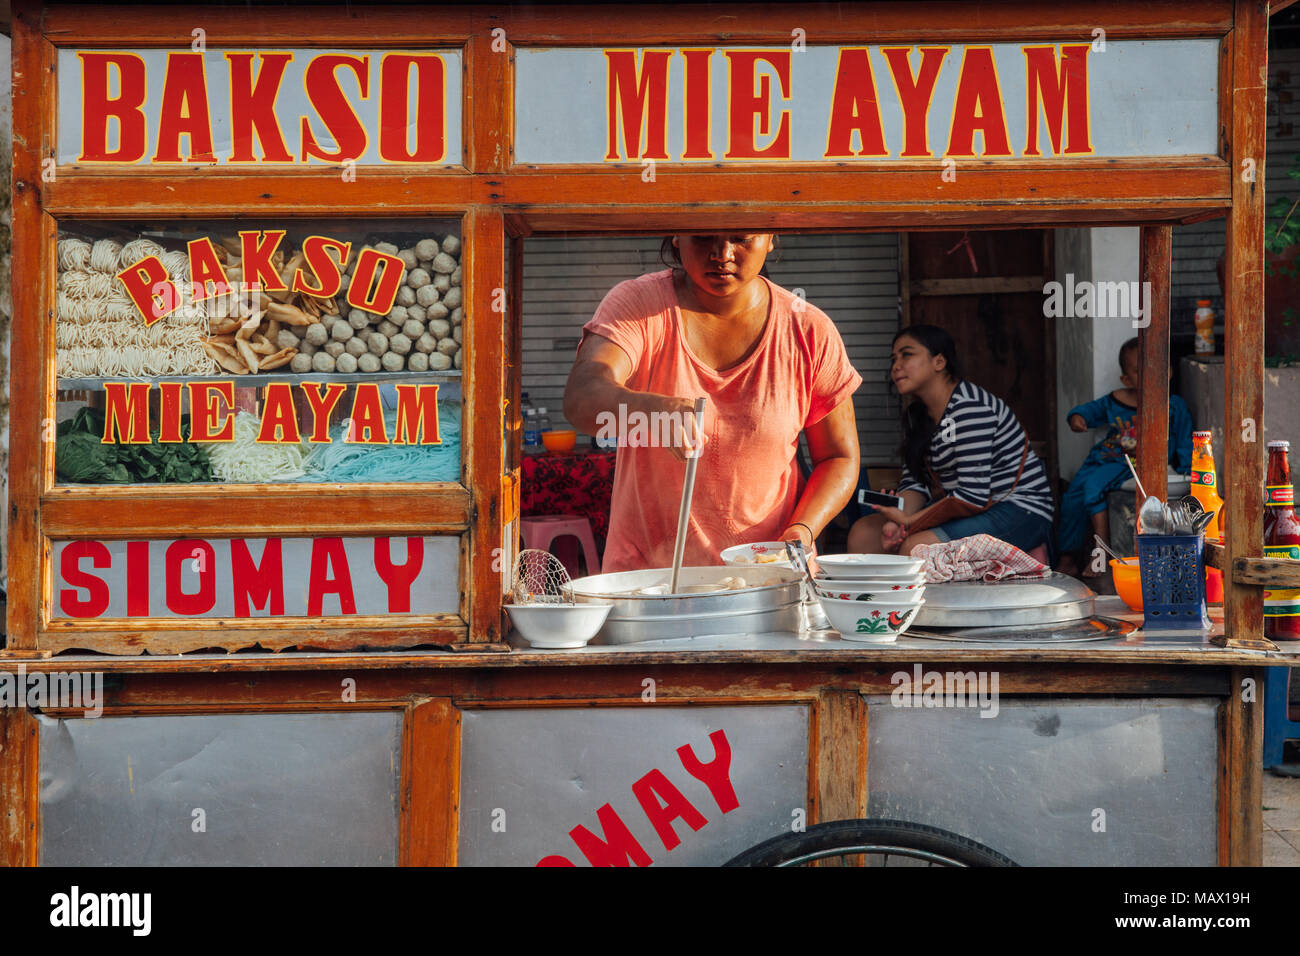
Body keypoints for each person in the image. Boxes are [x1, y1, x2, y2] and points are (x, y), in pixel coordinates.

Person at [562, 233, 862, 573]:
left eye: (741, 238)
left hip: (767, 576)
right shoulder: (638, 305)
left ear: (770, 237)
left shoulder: (808, 329)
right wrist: (650, 411)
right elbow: (581, 398)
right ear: (677, 236)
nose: (722, 254)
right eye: (704, 237)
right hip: (646, 578)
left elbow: (838, 456)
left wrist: (803, 529)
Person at [847, 325, 1054, 556]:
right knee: (863, 534)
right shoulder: (919, 417)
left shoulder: (969, 408)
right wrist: (896, 520)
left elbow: (971, 497)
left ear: (939, 362)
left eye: (907, 354)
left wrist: (909, 522)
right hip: (966, 509)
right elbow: (916, 482)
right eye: (894, 358)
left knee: (916, 549)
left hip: (1018, 510)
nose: (896, 366)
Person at [1057, 337, 1193, 575]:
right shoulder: (1115, 400)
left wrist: (1186, 472)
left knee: (1092, 489)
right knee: (1071, 501)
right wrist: (1077, 419)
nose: (1151, 376)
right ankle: (1067, 557)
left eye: (1158, 369)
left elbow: (1184, 441)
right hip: (1100, 459)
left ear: (1169, 371)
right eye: (1140, 372)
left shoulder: (1174, 406)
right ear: (1127, 379)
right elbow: (1085, 413)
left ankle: (1102, 552)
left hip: (1130, 463)